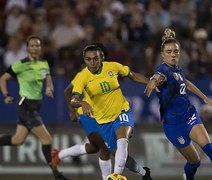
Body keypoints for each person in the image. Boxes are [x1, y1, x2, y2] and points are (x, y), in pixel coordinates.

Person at [68, 43, 152, 179]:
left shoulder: (112, 67)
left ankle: (116, 176)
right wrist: (82, 102)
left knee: (122, 140)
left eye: (95, 58)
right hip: (103, 121)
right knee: (119, 156)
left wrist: (150, 82)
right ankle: (144, 172)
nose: (93, 62)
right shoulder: (82, 77)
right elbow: (73, 100)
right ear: (84, 60)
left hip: (122, 111)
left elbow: (133, 75)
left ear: (101, 57)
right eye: (89, 59)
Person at [144, 28, 212, 180]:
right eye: (169, 52)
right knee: (194, 162)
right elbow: (158, 77)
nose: (173, 54)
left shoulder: (177, 69)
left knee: (210, 149)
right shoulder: (163, 70)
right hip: (173, 126)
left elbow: (186, 83)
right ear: (162, 55)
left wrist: (204, 98)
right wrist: (153, 81)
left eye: (176, 51)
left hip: (190, 116)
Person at [0, 35, 69, 180]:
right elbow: (3, 78)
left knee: (17, 140)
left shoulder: (43, 63)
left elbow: (47, 77)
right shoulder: (21, 64)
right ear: (27, 48)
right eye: (32, 45)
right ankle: (56, 174)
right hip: (26, 107)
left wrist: (49, 87)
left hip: (34, 107)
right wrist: (6, 95)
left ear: (40, 47)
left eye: (37, 45)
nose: (35, 48)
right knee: (47, 139)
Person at [52, 82, 152, 180]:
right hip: (87, 117)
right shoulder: (84, 76)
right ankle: (115, 177)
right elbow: (67, 91)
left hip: (103, 118)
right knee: (105, 148)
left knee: (95, 148)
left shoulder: (107, 73)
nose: (93, 64)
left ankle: (59, 154)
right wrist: (72, 111)